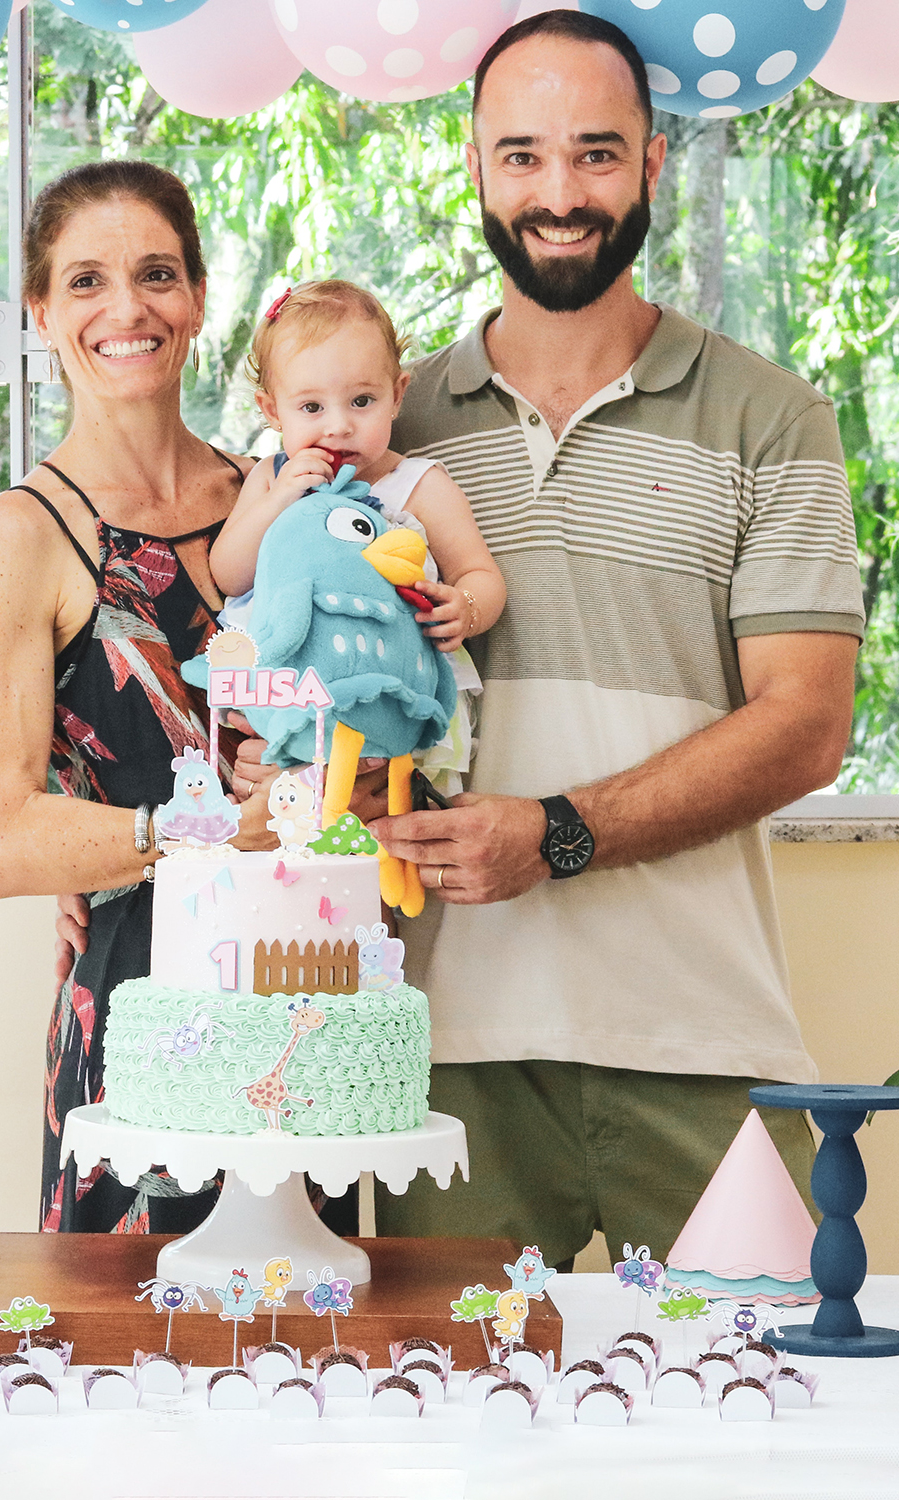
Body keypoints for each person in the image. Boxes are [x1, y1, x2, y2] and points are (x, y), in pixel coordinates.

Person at [368, 10, 864, 1268]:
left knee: (763, 1435)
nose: (559, 194)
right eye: (523, 156)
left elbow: (806, 727)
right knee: (455, 1452)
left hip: (704, 1041)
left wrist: (559, 832)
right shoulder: (388, 433)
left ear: (651, 165)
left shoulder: (773, 417)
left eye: (596, 153)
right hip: (441, 1058)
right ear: (475, 168)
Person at [0, 161, 363, 1235]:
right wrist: (212, 832)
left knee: (311, 1361)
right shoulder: (21, 535)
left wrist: (332, 793)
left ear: (197, 297)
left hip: (300, 998)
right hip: (137, 1005)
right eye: (85, 282)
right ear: (41, 313)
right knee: (121, 1374)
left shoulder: (290, 502)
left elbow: (362, 724)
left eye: (155, 274)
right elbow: (0, 841)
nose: (125, 309)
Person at [209, 278, 506, 795]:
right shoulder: (271, 477)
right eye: (311, 408)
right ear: (271, 410)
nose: (339, 426)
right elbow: (230, 575)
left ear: (398, 395)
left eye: (362, 400)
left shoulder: (419, 486)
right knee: (289, 825)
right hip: (296, 692)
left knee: (403, 823)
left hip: (396, 697)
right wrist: (280, 499)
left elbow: (480, 572)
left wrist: (466, 606)